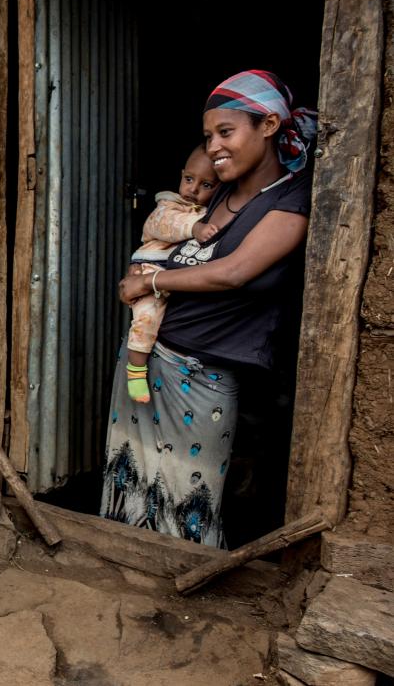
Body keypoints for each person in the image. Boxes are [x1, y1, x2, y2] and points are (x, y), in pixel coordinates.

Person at [101, 70, 317, 547]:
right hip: (147, 359)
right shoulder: (215, 192)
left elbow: (233, 272)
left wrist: (150, 281)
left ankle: (177, 594)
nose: (215, 146)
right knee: (131, 477)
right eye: (208, 136)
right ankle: (127, 573)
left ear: (268, 125)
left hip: (205, 375)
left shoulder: (290, 201)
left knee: (187, 494)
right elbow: (165, 232)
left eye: (226, 132)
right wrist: (138, 279)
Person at [125, 146, 220, 403]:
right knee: (146, 319)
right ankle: (135, 370)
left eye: (206, 184)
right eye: (189, 179)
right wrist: (195, 228)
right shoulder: (168, 205)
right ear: (181, 175)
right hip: (150, 269)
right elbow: (164, 226)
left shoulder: (211, 211)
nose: (193, 189)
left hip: (174, 282)